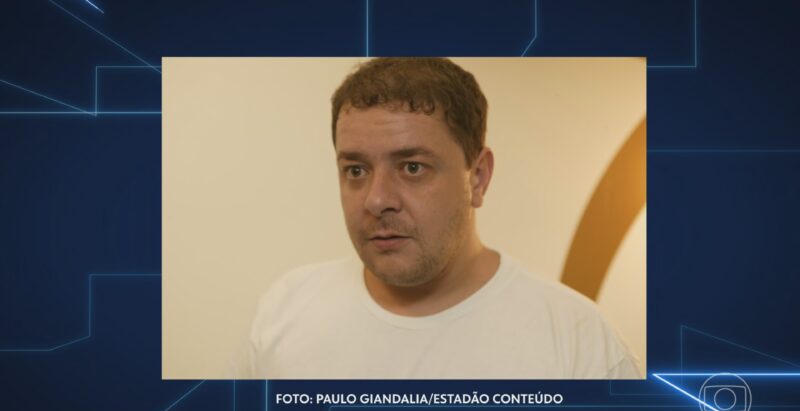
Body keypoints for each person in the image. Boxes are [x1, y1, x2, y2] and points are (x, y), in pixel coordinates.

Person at [245, 58, 641, 379]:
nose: (377, 200)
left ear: (478, 177)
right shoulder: (284, 313)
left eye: (412, 167)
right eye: (356, 170)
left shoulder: (578, 343)